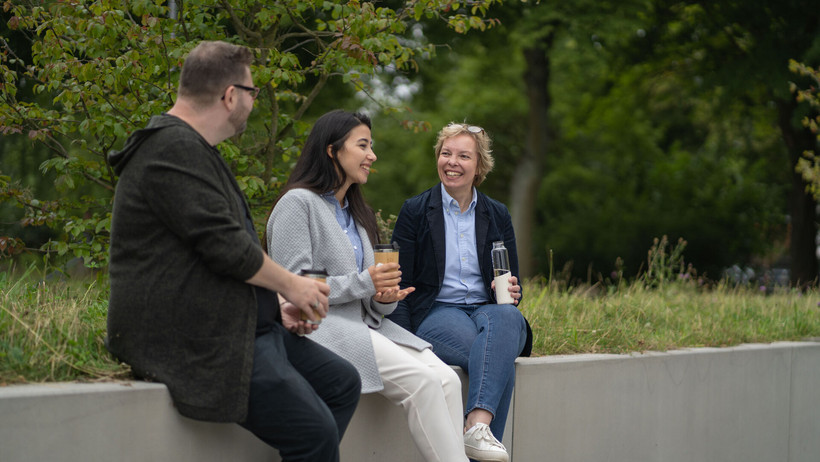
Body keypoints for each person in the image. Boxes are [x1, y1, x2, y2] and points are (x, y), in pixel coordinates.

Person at [106, 41, 361, 462]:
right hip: (192, 337)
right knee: (314, 433)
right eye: (253, 92)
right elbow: (226, 248)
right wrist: (294, 287)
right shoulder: (171, 149)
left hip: (232, 325)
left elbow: (210, 253)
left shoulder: (192, 150)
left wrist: (270, 307)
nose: (252, 102)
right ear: (230, 95)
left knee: (341, 383)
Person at [265, 109, 470, 462]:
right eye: (363, 145)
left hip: (368, 326)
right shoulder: (297, 204)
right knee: (422, 383)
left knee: (448, 381)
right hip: (325, 327)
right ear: (332, 150)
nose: (372, 155)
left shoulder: (357, 213)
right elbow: (294, 287)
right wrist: (364, 282)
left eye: (371, 146)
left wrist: (384, 296)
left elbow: (372, 299)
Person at [388, 122, 534, 462]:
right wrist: (406, 342)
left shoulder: (496, 213)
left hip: (488, 309)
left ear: (479, 166)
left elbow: (513, 282)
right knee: (497, 360)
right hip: (438, 311)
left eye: (463, 156)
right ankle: (480, 436)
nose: (452, 162)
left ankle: (474, 429)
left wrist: (514, 291)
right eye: (446, 153)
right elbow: (399, 281)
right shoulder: (415, 210)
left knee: (509, 316)